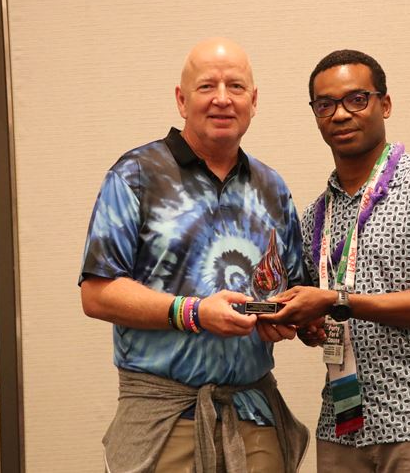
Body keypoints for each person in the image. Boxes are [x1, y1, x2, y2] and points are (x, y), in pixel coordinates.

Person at [79, 37, 308, 473]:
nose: (222, 98)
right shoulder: (136, 175)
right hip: (166, 419)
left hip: (254, 417)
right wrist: (194, 313)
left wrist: (286, 319)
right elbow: (97, 293)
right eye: (207, 86)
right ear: (182, 100)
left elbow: (293, 291)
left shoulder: (271, 187)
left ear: (254, 100)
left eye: (236, 86)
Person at [263, 49, 410, 472]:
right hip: (342, 428)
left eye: (356, 99)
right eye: (326, 105)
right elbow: (319, 312)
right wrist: (306, 323)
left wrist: (338, 301)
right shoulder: (315, 216)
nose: (341, 114)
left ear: (385, 104)